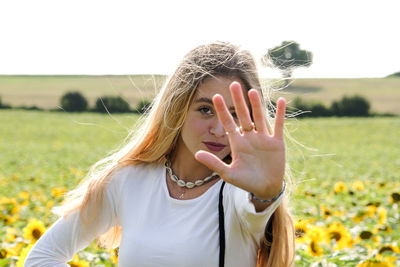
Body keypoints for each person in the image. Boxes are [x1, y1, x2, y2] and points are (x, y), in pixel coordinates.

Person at [25, 41, 295, 267]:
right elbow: (42, 258)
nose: (220, 129)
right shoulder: (128, 180)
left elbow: (255, 204)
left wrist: (267, 193)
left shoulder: (241, 190)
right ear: (177, 108)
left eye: (234, 114)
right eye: (205, 109)